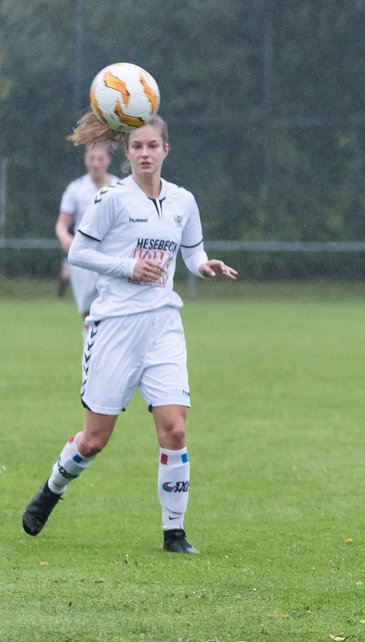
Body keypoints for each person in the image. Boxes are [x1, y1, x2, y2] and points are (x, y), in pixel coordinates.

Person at [22, 112, 237, 552]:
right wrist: (128, 268)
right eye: (136, 146)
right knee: (95, 439)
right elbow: (80, 251)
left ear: (165, 150)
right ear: (127, 152)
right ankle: (52, 488)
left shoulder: (183, 201)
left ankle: (174, 533)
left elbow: (193, 253)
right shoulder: (112, 199)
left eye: (152, 146)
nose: (144, 153)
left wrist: (204, 266)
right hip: (116, 327)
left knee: (174, 430)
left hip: (163, 325)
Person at [55, 143, 118, 336]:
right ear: (85, 160)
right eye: (92, 158)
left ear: (108, 160)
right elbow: (61, 224)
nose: (96, 163)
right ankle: (91, 359)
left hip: (113, 258)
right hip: (84, 260)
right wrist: (65, 237)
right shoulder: (76, 189)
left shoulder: (119, 187)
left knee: (114, 313)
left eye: (100, 158)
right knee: (89, 314)